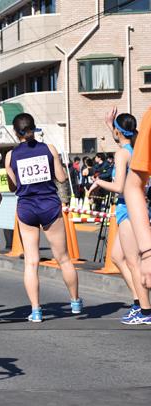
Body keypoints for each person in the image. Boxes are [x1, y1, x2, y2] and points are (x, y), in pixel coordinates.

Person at [5, 113, 82, 322]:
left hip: (27, 206)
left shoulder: (11, 156)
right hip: (49, 203)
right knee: (63, 258)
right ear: (34, 128)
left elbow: (12, 186)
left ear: (15, 132)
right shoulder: (49, 149)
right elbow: (61, 177)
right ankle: (75, 302)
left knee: (31, 262)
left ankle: (36, 310)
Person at [89, 108, 151, 324]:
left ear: (117, 132)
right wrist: (111, 125)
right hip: (134, 206)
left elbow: (119, 186)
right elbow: (123, 142)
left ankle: (144, 310)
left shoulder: (122, 153)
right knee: (117, 257)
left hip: (128, 207)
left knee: (133, 261)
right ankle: (138, 301)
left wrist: (98, 182)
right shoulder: (135, 147)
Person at [124, 107, 151, 290]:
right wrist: (148, 252)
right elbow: (132, 186)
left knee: (124, 258)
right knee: (122, 258)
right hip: (124, 211)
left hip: (125, 212)